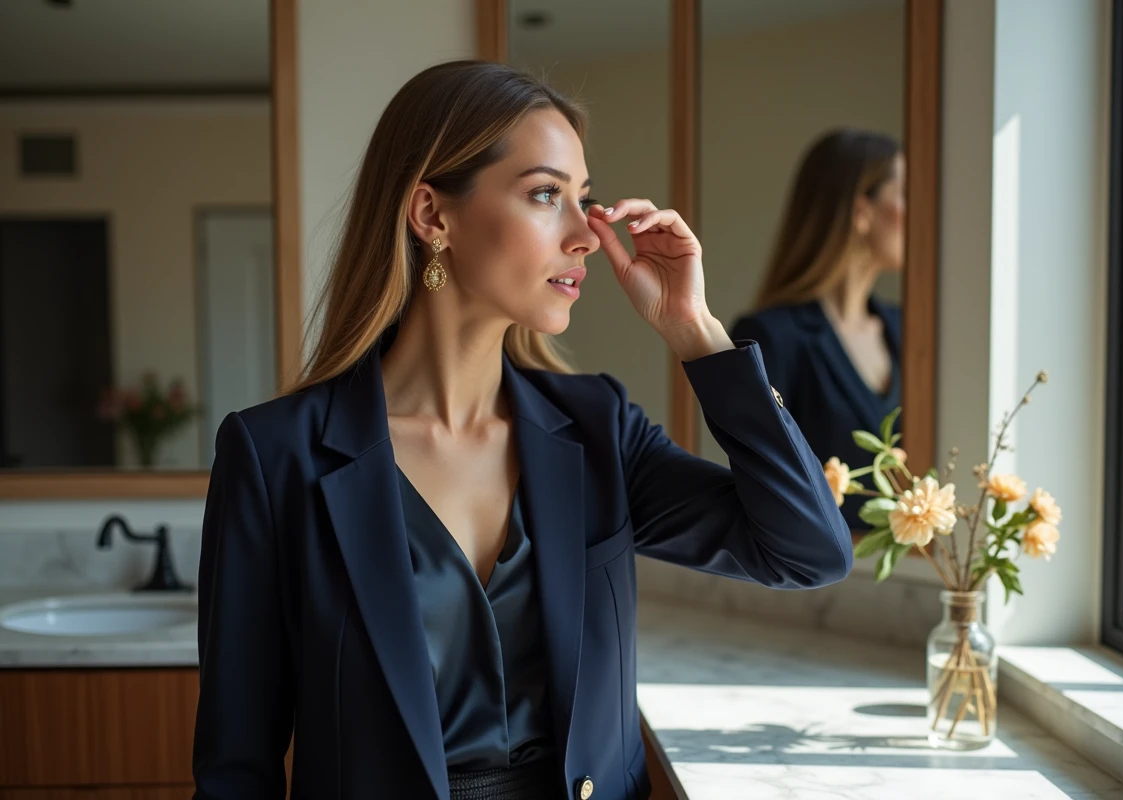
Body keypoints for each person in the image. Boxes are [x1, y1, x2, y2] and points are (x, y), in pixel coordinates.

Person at [191, 60, 851, 800]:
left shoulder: (599, 429)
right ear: (432, 216)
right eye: (545, 194)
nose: (588, 235)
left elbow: (808, 551)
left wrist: (697, 333)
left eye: (586, 200)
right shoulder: (275, 455)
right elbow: (235, 772)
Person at [731, 129, 905, 530]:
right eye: (905, 194)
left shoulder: (909, 333)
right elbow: (768, 490)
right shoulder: (770, 337)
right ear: (861, 211)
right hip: (815, 581)